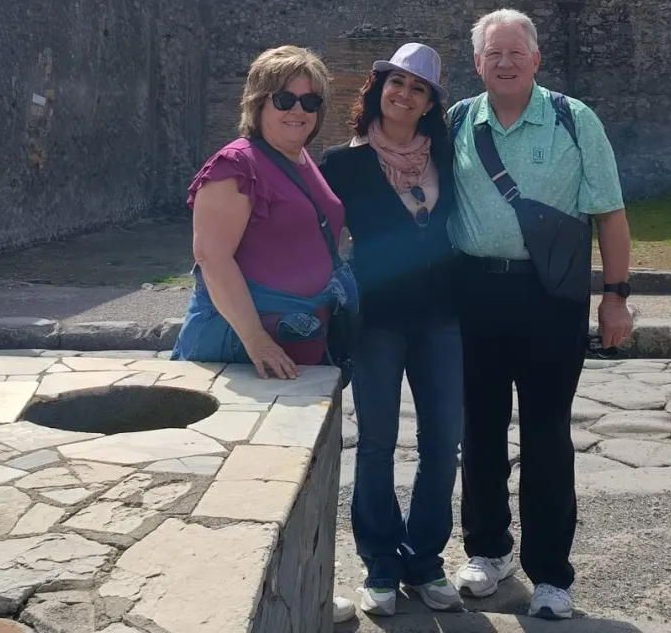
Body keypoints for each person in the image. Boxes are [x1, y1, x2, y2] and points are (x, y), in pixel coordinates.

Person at [445, 8, 634, 622]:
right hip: (475, 291)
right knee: (479, 429)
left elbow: (608, 212)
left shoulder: (573, 120)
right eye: (491, 54)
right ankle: (487, 551)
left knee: (548, 434)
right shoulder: (456, 122)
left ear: (535, 58)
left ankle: (551, 573)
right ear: (476, 63)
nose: (503, 62)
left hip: (551, 296)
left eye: (514, 52)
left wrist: (615, 295)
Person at [170, 44, 360, 626]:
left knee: (286, 484)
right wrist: (255, 339)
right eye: (285, 98)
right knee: (225, 488)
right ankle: (208, 607)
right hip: (242, 350)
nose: (298, 110)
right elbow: (212, 256)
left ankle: (297, 599)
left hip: (296, 348)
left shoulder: (301, 160)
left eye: (310, 100)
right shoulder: (237, 164)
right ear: (258, 102)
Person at [319, 43, 465, 618]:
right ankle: (380, 558)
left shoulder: (448, 157)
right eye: (396, 82)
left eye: (418, 88)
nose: (404, 94)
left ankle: (425, 557)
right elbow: (321, 240)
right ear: (378, 87)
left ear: (430, 102)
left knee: (441, 443)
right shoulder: (343, 164)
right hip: (377, 318)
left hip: (442, 316)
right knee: (377, 443)